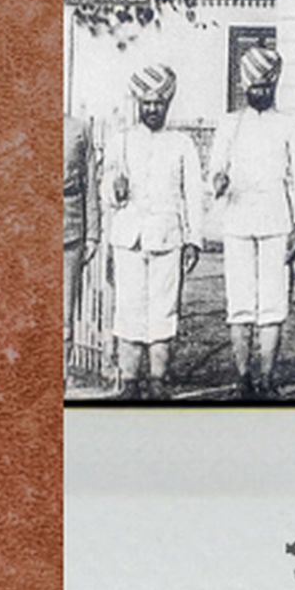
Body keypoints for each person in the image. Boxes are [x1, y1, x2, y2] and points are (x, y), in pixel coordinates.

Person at [209, 46, 295, 401]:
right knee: (239, 303)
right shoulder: (229, 123)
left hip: (276, 221)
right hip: (237, 221)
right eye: (255, 86)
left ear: (275, 85)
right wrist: (218, 181)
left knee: (273, 303)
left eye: (267, 86)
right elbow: (215, 170)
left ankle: (267, 377)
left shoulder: (289, 125)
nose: (261, 92)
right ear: (244, 85)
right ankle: (243, 377)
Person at [104, 66, 203, 402]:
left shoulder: (181, 144)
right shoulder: (121, 140)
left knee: (163, 309)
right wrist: (114, 190)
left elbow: (194, 195)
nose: (151, 110)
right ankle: (130, 380)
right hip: (128, 238)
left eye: (158, 103)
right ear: (138, 103)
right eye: (146, 103)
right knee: (129, 307)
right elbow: (107, 188)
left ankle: (158, 380)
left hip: (167, 238)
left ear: (168, 104)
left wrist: (193, 240)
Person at [63, 113, 102, 382]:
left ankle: (60, 377)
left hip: (70, 232)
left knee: (64, 314)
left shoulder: (79, 128)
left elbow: (90, 183)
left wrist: (92, 235)